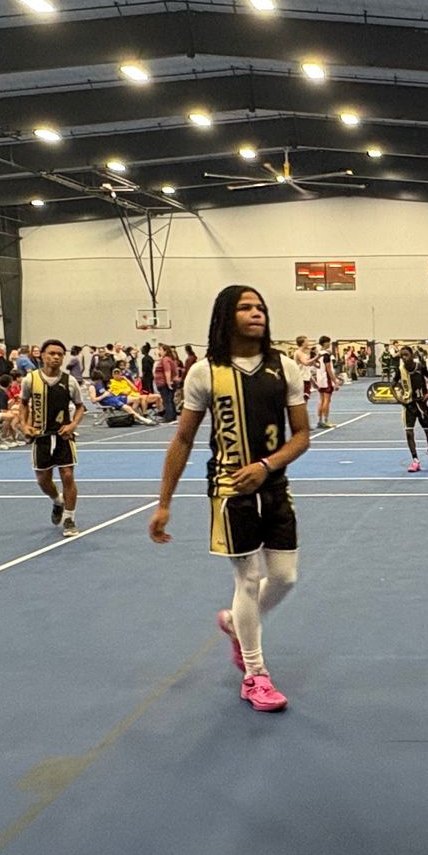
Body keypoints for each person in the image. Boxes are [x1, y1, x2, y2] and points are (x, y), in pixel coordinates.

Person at [152, 286, 310, 712]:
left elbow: (301, 435)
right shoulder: (205, 372)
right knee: (248, 579)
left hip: (274, 486)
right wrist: (164, 503)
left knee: (285, 577)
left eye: (261, 307)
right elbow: (183, 439)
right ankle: (256, 675)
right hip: (229, 491)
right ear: (226, 316)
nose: (257, 313)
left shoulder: (285, 367)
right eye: (245, 307)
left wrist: (267, 465)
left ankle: (236, 624)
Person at [19, 339, 85, 537]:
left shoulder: (69, 381)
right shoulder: (30, 380)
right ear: (42, 355)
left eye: (60, 354)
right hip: (41, 437)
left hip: (63, 436)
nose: (56, 357)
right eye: (52, 353)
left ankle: (69, 518)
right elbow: (23, 404)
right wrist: (24, 425)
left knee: (67, 475)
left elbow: (80, 407)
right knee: (43, 480)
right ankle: (57, 501)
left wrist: (72, 425)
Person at [397, 345, 428, 471]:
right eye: (402, 356)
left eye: (406, 355)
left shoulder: (420, 367)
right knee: (409, 433)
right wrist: (398, 398)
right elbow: (393, 384)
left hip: (421, 404)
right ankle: (415, 460)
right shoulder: (401, 370)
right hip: (408, 405)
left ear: (412, 355)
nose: (404, 358)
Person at [314, 335, 338, 429]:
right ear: (324, 343)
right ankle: (326, 421)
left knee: (321, 400)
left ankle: (320, 421)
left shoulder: (319, 354)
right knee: (327, 400)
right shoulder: (326, 355)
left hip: (320, 379)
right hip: (326, 379)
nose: (329, 344)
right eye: (328, 342)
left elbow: (315, 364)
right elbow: (329, 369)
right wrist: (335, 381)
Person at [155, 343, 182, 424]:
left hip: (165, 383)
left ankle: (169, 417)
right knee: (170, 400)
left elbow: (167, 371)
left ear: (165, 351)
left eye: (160, 350)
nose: (159, 351)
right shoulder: (169, 359)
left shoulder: (166, 359)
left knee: (167, 400)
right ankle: (172, 416)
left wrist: (168, 382)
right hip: (167, 382)